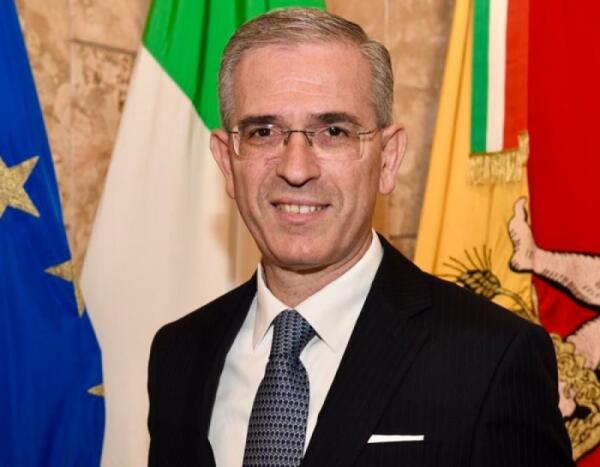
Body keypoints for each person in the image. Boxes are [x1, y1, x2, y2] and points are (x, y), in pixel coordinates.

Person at [147, 8, 573, 467]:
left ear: (387, 158)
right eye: (263, 132)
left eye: (334, 131)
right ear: (227, 161)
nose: (296, 169)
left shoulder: (492, 357)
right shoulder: (180, 354)